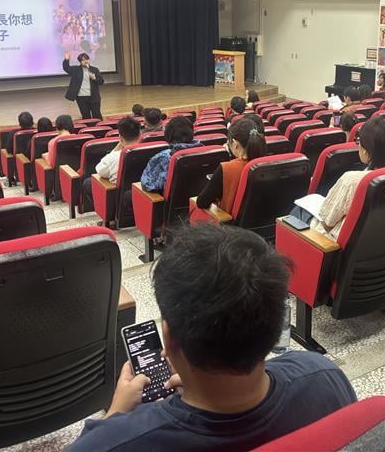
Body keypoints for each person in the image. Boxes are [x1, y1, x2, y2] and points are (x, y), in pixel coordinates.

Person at [67, 223, 356, 452]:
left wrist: (115, 413)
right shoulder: (325, 375)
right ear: (275, 326)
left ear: (168, 338)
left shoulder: (111, 443)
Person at [292, 117, 385, 241]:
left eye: (359, 141)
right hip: (382, 240)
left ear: (367, 151)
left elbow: (327, 222)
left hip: (332, 244)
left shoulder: (352, 180)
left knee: (297, 212)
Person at [196, 118, 267, 213]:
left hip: (229, 221)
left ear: (234, 143)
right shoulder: (268, 164)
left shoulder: (226, 168)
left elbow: (201, 202)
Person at [82, 117, 141, 213]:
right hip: (140, 192)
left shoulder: (115, 157)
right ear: (140, 134)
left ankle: (109, 215)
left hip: (119, 196)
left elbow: (99, 170)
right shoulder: (150, 149)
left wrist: (116, 149)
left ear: (121, 138)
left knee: (88, 183)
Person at [141, 116, 203, 193]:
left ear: (168, 134)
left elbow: (149, 185)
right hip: (196, 194)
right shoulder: (204, 150)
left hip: (170, 198)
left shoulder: (164, 156)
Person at [63, 51, 104, 120]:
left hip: (94, 97)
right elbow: (66, 68)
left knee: (97, 114)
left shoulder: (94, 69)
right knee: (85, 116)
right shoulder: (75, 70)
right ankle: (87, 127)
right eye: (83, 60)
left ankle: (99, 126)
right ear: (80, 62)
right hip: (81, 97)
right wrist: (66, 60)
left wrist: (94, 78)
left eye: (86, 59)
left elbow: (101, 82)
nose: (85, 61)